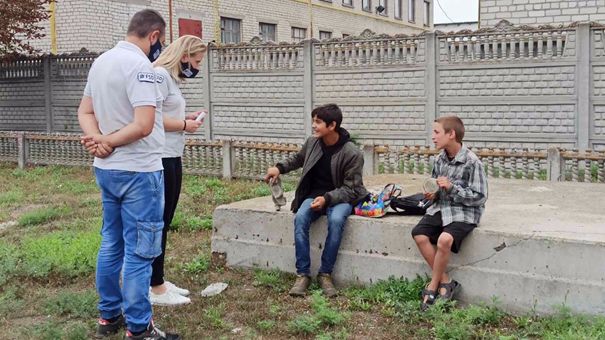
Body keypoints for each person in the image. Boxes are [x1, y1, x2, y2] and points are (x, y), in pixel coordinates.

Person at [77, 9, 180, 340]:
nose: (159, 48)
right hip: (139, 171)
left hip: (107, 170)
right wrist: (104, 140)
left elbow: (86, 111)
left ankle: (109, 316)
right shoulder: (141, 68)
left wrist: (98, 142)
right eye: (160, 42)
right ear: (153, 36)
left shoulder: (101, 62)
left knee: (111, 242)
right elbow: (144, 125)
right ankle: (139, 327)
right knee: (140, 251)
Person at [265, 104, 368, 298]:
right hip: (313, 195)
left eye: (318, 122)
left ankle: (325, 274)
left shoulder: (352, 153)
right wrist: (278, 168)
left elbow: (352, 188)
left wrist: (327, 199)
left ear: (332, 125)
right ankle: (303, 274)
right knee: (301, 218)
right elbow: (297, 159)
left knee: (336, 220)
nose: (313, 125)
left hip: (340, 196)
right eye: (313, 120)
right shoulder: (313, 143)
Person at [149, 35, 206, 306]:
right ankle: (154, 286)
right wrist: (184, 124)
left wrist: (187, 118)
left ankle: (157, 279)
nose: (196, 66)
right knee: (159, 221)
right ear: (184, 56)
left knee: (166, 220)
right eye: (196, 61)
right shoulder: (159, 75)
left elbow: (166, 115)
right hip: (160, 156)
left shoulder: (171, 79)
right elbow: (151, 118)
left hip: (172, 155)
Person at [411, 116, 488, 311]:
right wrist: (433, 194)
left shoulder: (472, 162)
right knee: (419, 234)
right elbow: (437, 189)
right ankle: (446, 281)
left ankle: (432, 286)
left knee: (445, 239)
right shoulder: (439, 159)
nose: (433, 137)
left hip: (465, 211)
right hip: (442, 207)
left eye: (437, 132)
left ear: (451, 134)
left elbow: (480, 197)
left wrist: (453, 188)